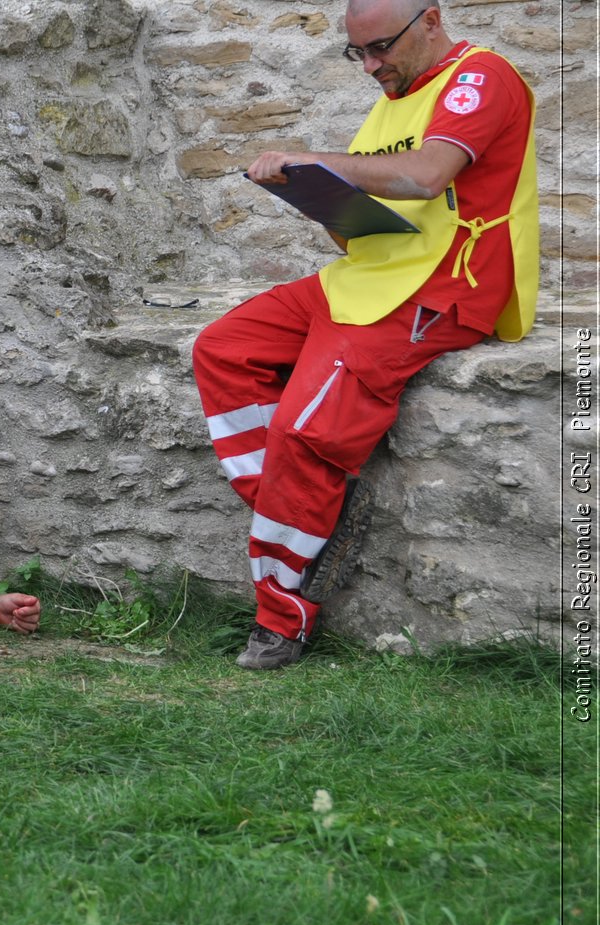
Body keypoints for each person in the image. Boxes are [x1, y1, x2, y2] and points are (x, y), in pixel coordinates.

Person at [190, 0, 537, 669]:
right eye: (359, 54)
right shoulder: (391, 100)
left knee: (303, 431)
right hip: (367, 277)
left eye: (381, 48)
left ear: (430, 20)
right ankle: (296, 513)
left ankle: (281, 615)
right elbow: (358, 232)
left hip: (442, 288)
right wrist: (317, 195)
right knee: (221, 349)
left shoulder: (481, 76)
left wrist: (315, 158)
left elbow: (426, 174)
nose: (372, 66)